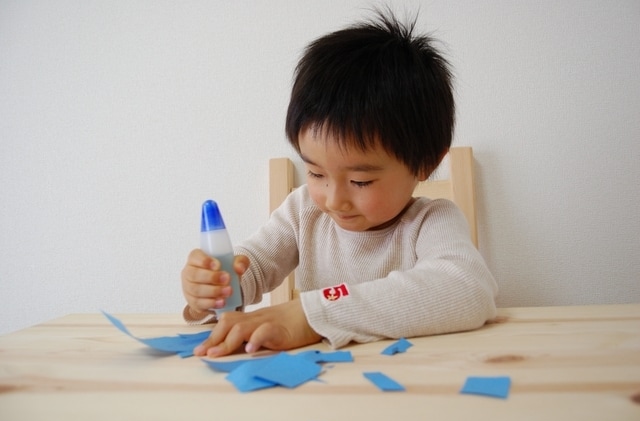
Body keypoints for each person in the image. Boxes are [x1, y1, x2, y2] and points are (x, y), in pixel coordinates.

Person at [181, 9, 498, 358]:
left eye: (360, 181)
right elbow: (253, 264)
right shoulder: (302, 212)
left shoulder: (431, 221)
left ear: (426, 163)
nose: (334, 200)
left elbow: (467, 289)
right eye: (316, 173)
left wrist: (312, 314)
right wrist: (214, 290)